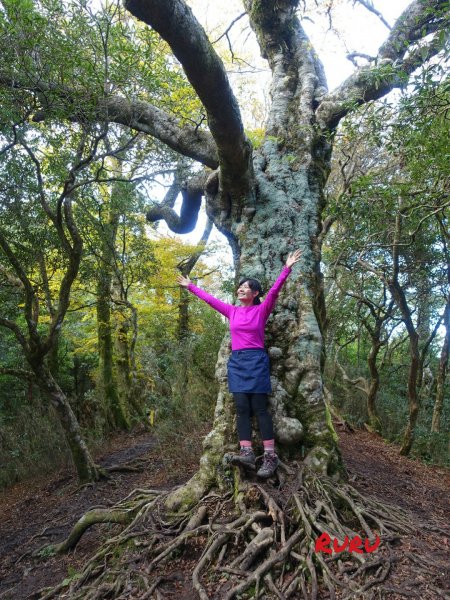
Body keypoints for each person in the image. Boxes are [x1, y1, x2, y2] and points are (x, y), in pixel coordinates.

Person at [177, 249, 301, 478]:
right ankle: (246, 452)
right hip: (237, 362)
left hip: (256, 360)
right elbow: (210, 300)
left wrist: (287, 268)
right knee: (242, 408)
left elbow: (274, 292)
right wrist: (191, 286)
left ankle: (270, 457)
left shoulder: (261, 310)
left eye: (245, 287)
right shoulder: (232, 311)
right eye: (239, 286)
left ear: (254, 293)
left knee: (260, 409)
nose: (240, 289)